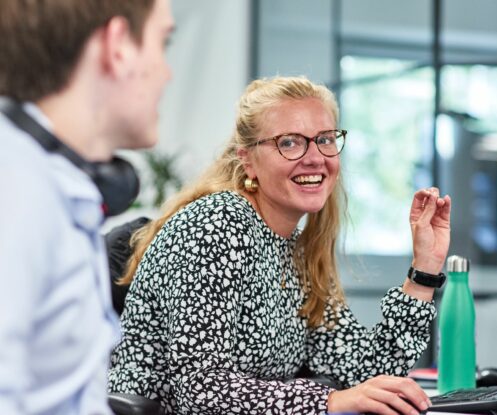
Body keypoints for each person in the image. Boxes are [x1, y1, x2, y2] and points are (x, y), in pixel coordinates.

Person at [109, 76, 452, 415]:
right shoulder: (216, 224)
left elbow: (364, 376)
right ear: (248, 161)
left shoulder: (298, 251)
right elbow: (202, 392)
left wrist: (423, 271)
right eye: (289, 142)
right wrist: (327, 401)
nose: (316, 158)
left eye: (325, 139)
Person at [0, 1, 175, 413]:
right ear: (118, 47)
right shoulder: (19, 193)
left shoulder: (53, 185)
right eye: (162, 43)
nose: (166, 73)